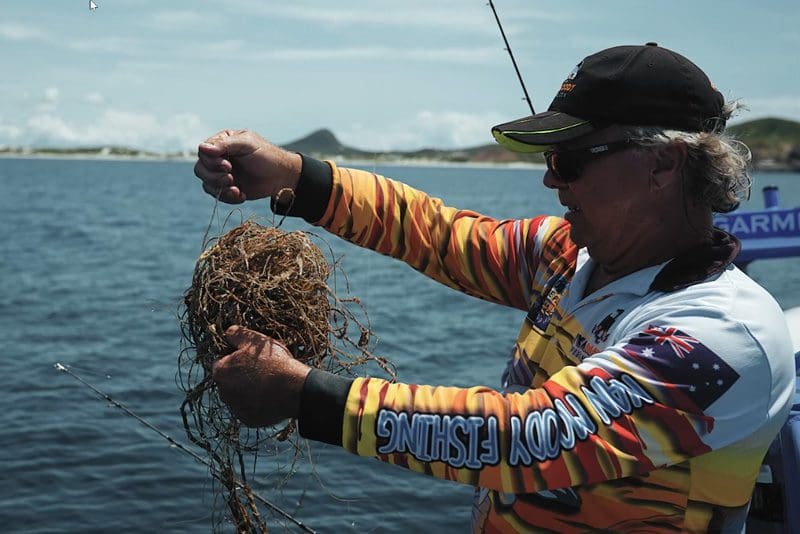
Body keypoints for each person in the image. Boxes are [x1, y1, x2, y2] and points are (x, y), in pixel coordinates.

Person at [194, 43, 795, 532]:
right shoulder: (568, 255)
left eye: (570, 160)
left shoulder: (720, 334)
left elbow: (533, 440)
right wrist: (298, 175)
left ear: (664, 165)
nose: (549, 180)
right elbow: (438, 235)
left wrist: (307, 397)